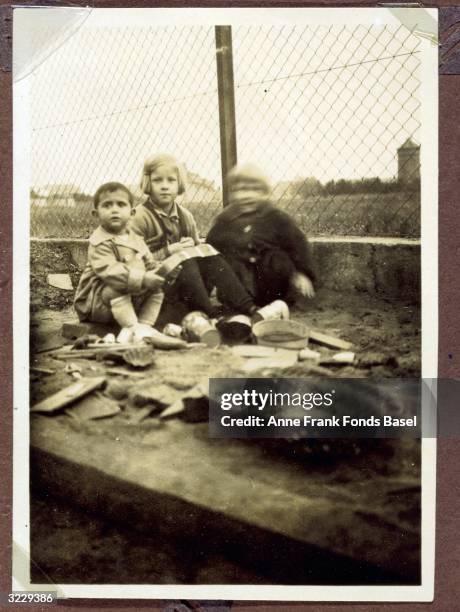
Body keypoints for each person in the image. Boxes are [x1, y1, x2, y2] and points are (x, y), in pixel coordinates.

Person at [130, 154, 288, 322]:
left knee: (208, 256)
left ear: (179, 184)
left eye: (171, 180)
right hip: (154, 290)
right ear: (148, 183)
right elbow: (132, 264)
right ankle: (212, 316)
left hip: (188, 289)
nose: (164, 186)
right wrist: (169, 251)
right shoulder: (138, 217)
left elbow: (202, 258)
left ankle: (251, 308)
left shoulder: (186, 216)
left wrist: (194, 247)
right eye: (157, 180)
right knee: (186, 260)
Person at [207, 163, 316, 305]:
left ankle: (277, 303)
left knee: (278, 259)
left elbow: (298, 245)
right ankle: (242, 305)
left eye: (255, 190)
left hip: (269, 283)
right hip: (239, 287)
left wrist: (303, 273)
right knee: (227, 263)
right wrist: (209, 285)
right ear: (232, 193)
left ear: (265, 193)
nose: (247, 195)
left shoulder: (276, 217)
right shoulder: (224, 221)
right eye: (241, 190)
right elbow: (209, 251)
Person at [74, 182, 166, 343]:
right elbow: (111, 272)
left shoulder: (136, 239)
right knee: (115, 289)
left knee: (157, 289)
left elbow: (149, 262)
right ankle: (133, 328)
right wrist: (144, 279)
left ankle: (144, 326)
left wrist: (162, 271)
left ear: (131, 213)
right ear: (96, 214)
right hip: (97, 302)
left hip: (129, 295)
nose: (114, 210)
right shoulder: (100, 242)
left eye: (121, 204)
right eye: (107, 205)